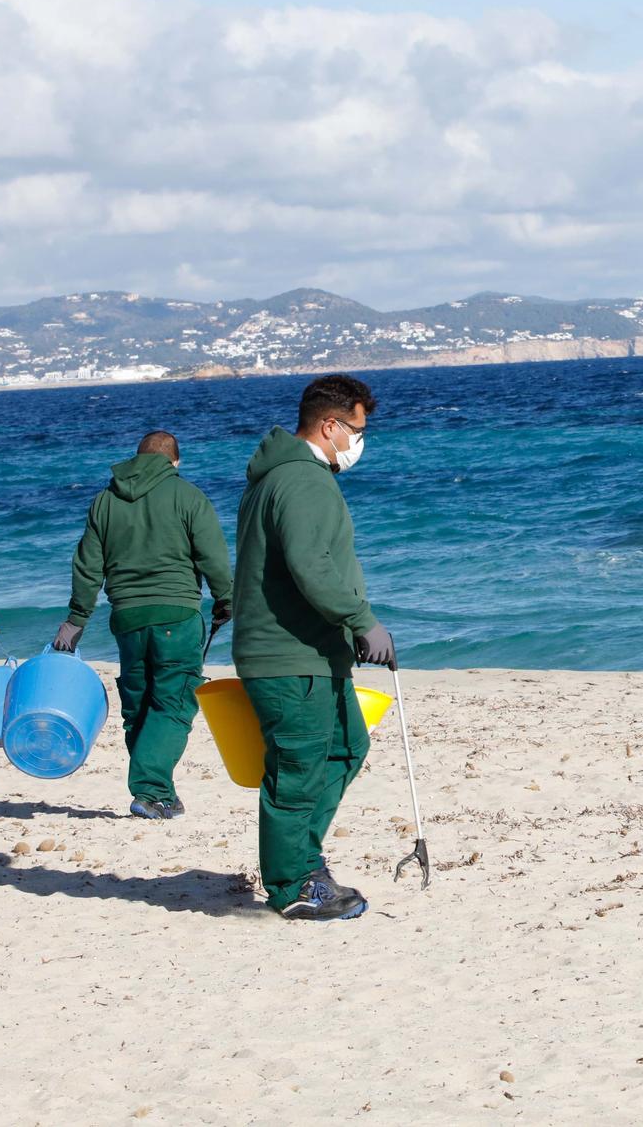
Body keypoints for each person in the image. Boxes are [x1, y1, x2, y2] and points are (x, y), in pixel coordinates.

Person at [232, 374, 396, 921]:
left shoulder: (284, 478)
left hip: (313, 651)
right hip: (289, 654)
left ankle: (303, 857)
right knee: (298, 769)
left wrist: (350, 631)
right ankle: (293, 882)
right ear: (330, 426)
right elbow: (311, 566)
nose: (360, 442)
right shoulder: (301, 480)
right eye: (356, 430)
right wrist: (363, 621)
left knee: (347, 746)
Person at [51, 430, 232, 820]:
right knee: (174, 702)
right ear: (175, 462)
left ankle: (160, 792)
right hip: (177, 615)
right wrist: (227, 599)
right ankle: (149, 790)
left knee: (138, 705)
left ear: (137, 459)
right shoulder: (188, 496)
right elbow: (213, 556)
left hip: (127, 618)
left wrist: (76, 619)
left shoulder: (105, 501)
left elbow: (87, 566)